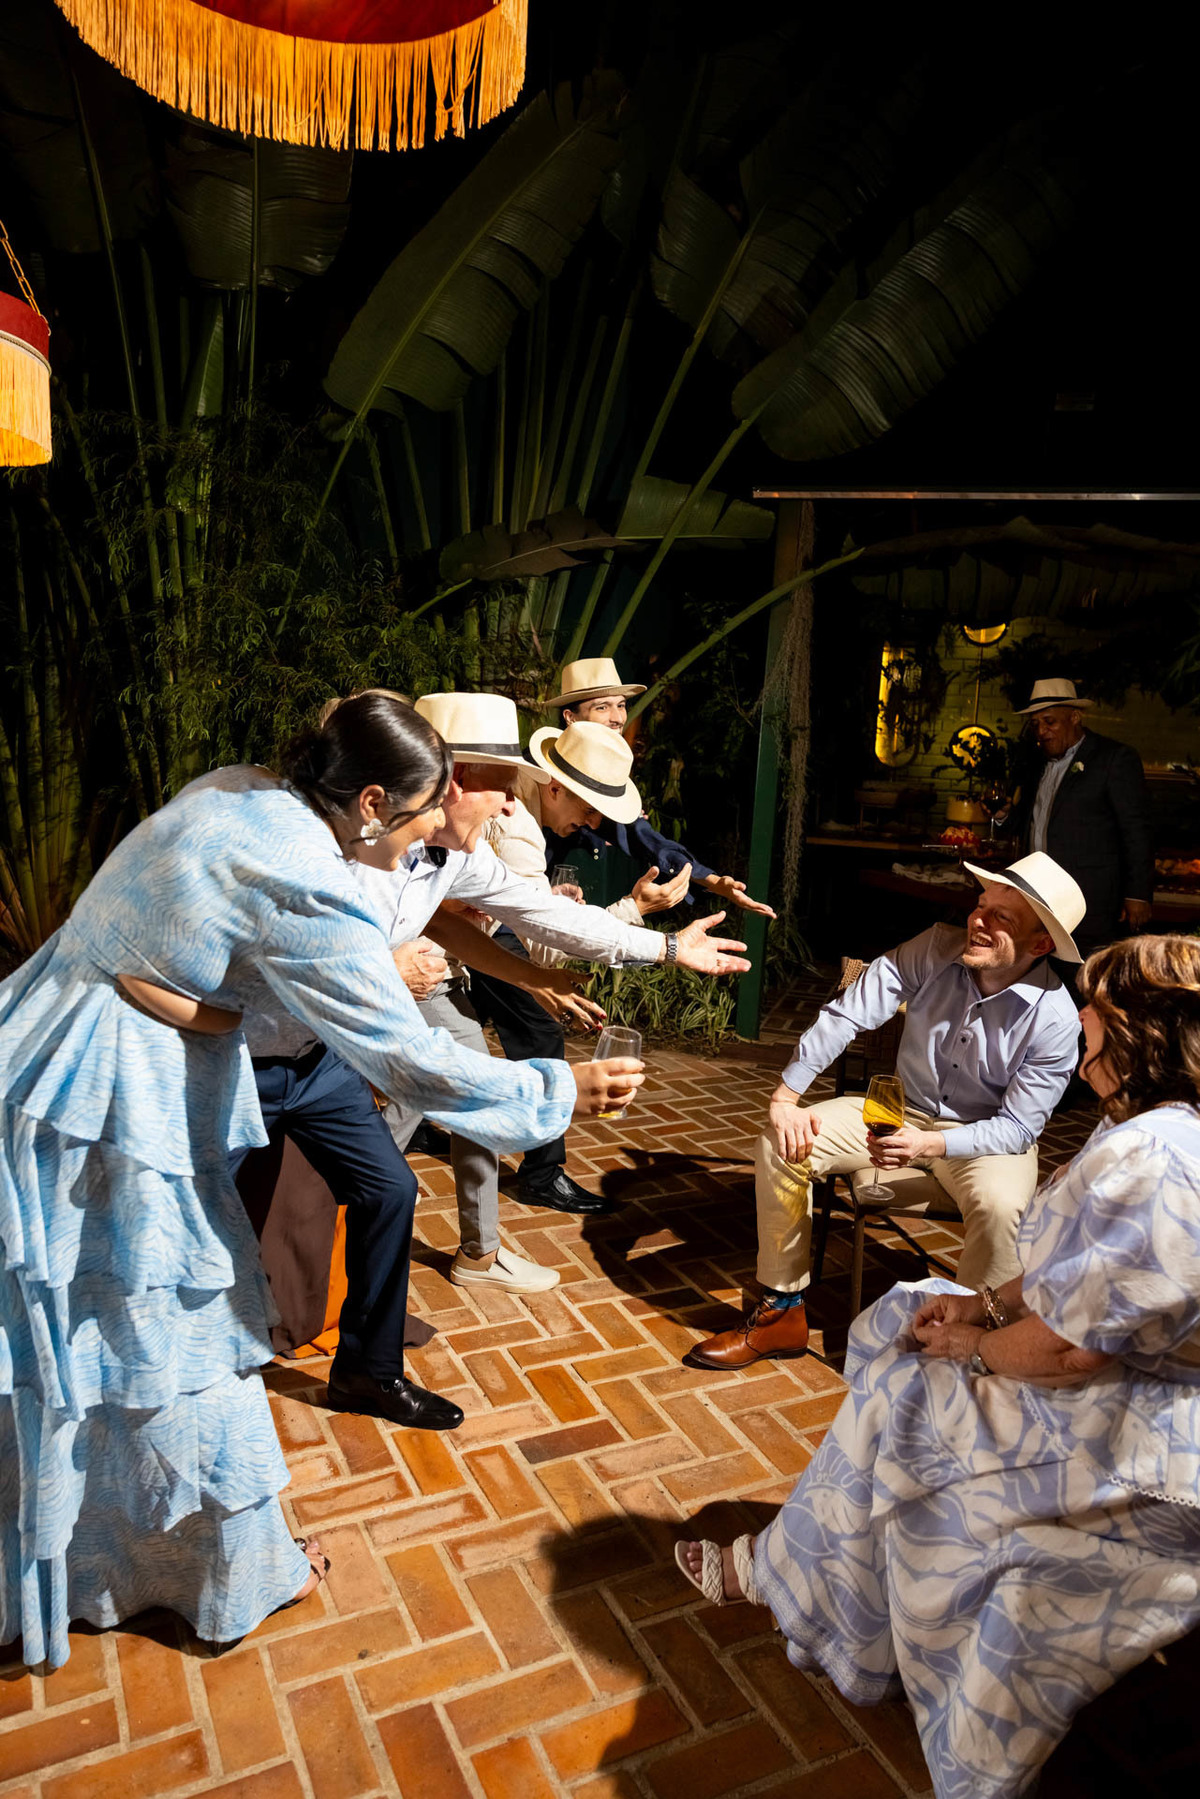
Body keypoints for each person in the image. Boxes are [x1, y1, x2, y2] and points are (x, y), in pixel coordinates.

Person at [0, 694, 643, 1668]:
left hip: (45, 1053)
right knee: (179, 1344)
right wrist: (560, 1087)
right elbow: (411, 1059)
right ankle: (238, 1571)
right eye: (432, 805)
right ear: (374, 799)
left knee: (70, 1334)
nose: (443, 821)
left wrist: (198, 1008)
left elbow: (143, 936)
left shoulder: (238, 790)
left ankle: (85, 1560)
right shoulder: (310, 879)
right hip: (117, 1106)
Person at [675, 931, 1200, 1799]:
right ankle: (810, 1547)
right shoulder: (1165, 1132)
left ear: (1139, 1030)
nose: (1080, 1019)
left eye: (1097, 1005)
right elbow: (1088, 1280)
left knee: (907, 1377)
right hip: (1133, 1381)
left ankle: (794, 1579)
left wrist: (973, 1345)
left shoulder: (1148, 1155)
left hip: (1139, 1442)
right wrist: (980, 1305)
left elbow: (1071, 1347)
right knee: (909, 1310)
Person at [349, 692, 749, 1285]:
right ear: (452, 782)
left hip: (416, 994)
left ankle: (466, 1251)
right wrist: (389, 967)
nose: (514, 803)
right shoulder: (352, 847)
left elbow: (540, 917)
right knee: (372, 1153)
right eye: (503, 784)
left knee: (417, 1135)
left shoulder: (462, 853)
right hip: (292, 1046)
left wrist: (665, 948)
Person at [686, 853, 1084, 1371]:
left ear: (1040, 944)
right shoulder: (939, 946)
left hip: (985, 1136)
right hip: (899, 1110)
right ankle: (782, 1312)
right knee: (782, 1144)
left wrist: (932, 1145)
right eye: (981, 905)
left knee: (1003, 1206)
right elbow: (851, 1010)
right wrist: (787, 1095)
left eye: (1001, 918)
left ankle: (966, 1348)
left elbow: (1018, 1127)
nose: (978, 921)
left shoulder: (1055, 1020)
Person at [467, 715, 693, 1211]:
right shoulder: (520, 825)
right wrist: (640, 916)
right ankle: (542, 1176)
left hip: (476, 933)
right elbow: (547, 943)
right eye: (590, 809)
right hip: (461, 940)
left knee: (466, 1034)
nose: (592, 825)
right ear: (553, 786)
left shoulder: (529, 802)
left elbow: (521, 904)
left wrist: (543, 897)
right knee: (538, 1038)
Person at [546, 657, 775, 919]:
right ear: (570, 717)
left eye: (621, 705)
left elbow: (643, 837)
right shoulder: (538, 773)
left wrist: (712, 880)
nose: (617, 718)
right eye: (602, 707)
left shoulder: (599, 772)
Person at [1010, 677, 1154, 966]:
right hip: (1037, 895)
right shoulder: (1036, 761)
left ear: (1074, 717)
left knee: (1084, 977)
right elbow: (1032, 819)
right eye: (1036, 724)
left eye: (1049, 721)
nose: (1041, 731)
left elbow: (1137, 829)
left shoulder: (1113, 758)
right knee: (1040, 973)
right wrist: (1004, 819)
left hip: (1090, 897)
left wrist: (1138, 894)